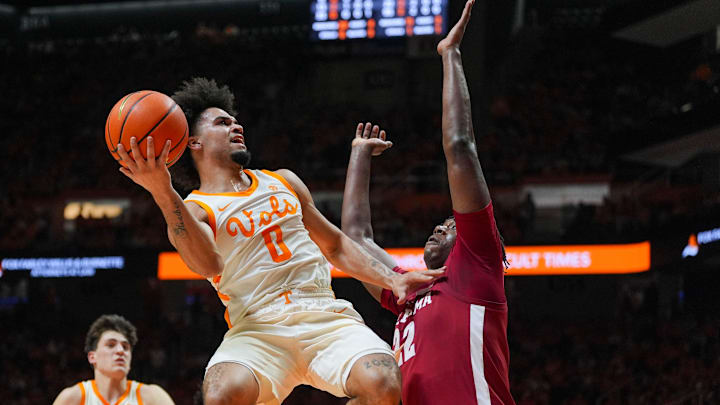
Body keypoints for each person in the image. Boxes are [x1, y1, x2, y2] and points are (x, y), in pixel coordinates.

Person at [115, 78, 443, 405]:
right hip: (257, 329)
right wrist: (161, 189)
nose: (236, 125)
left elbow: (336, 246)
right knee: (220, 396)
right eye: (222, 122)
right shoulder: (193, 209)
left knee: (384, 384)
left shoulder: (282, 180)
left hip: (324, 316)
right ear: (194, 143)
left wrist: (393, 279)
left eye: (235, 120)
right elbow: (207, 265)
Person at [340, 1, 515, 404]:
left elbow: (459, 147)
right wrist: (360, 153)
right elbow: (355, 242)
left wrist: (450, 55)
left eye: (451, 225)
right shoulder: (409, 290)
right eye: (441, 223)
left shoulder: (476, 267)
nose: (440, 226)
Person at [52, 314, 175, 405]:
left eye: (126, 347)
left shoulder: (152, 397)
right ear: (92, 357)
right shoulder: (73, 398)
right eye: (111, 345)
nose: (121, 351)